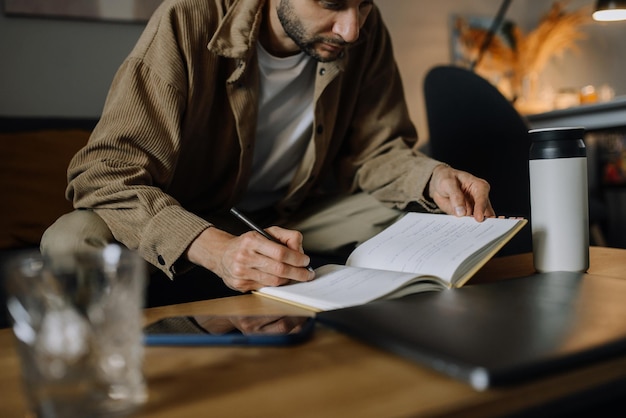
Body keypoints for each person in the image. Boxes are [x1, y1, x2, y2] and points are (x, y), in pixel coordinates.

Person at [41, 0, 495, 306]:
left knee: (431, 215)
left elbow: (377, 153)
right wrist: (213, 249)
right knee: (71, 240)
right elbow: (104, 175)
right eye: (332, 3)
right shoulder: (188, 19)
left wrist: (433, 177)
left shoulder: (364, 34)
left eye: (364, 4)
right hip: (184, 215)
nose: (352, 29)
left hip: (295, 215)